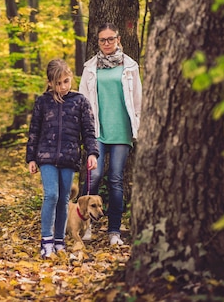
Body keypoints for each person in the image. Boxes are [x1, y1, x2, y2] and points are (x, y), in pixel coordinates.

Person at [26, 59, 99, 258]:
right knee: (51, 195)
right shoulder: (42, 101)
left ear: (71, 78)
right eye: (58, 83)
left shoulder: (80, 101)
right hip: (46, 156)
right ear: (50, 82)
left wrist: (92, 153)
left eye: (66, 81)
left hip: (69, 157)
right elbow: (34, 130)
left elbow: (89, 131)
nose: (63, 87)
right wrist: (31, 158)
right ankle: (46, 241)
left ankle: (59, 240)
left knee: (63, 199)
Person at [79, 22, 142, 246]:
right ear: (98, 42)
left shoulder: (130, 67)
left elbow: (137, 101)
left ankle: (114, 230)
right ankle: (86, 227)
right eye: (102, 40)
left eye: (110, 39)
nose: (106, 43)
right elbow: (83, 101)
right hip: (97, 131)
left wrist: (139, 126)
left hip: (122, 130)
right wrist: (84, 131)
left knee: (115, 179)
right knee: (94, 177)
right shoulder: (90, 68)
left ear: (118, 40)